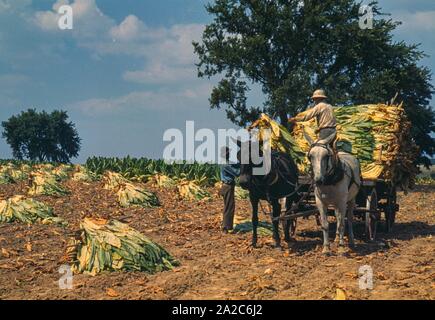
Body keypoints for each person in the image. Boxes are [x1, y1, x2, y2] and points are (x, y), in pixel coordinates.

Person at [219, 146, 240, 233]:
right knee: (229, 207)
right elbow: (237, 173)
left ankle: (227, 226)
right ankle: (225, 227)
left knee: (228, 206)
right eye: (229, 154)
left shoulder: (226, 162)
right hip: (227, 187)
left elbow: (235, 165)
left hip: (226, 186)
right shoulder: (226, 165)